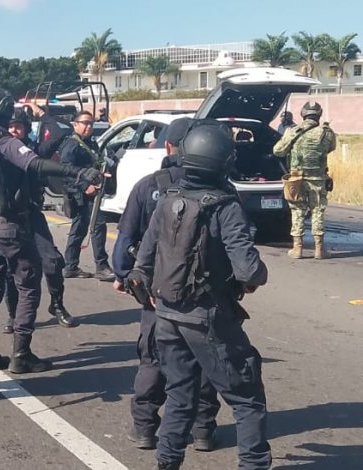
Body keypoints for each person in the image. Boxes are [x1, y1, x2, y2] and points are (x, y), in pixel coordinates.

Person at [132, 121, 271, 470]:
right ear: (223, 162)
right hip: (207, 317)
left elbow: (143, 262)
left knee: (179, 394)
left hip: (166, 315)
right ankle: (254, 464)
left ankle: (167, 463)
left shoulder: (167, 199)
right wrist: (257, 276)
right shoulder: (225, 206)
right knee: (247, 397)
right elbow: (249, 270)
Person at [0, 87, 103, 374]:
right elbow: (35, 163)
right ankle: (21, 353)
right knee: (28, 285)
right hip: (11, 225)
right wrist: (76, 173)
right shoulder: (5, 143)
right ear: (7, 114)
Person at [112, 118, 221, 452]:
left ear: (170, 148)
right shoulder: (220, 189)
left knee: (154, 360)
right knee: (206, 361)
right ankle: (202, 429)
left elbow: (125, 238)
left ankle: (146, 428)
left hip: (158, 293)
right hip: (205, 297)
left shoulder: (149, 186)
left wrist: (123, 275)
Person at [2, 103, 78, 332]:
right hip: (8, 218)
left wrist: (41, 113)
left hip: (32, 214)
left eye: (18, 127)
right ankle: (14, 315)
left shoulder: (35, 151)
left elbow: (62, 132)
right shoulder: (0, 151)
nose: (14, 131)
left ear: (26, 128)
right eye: (10, 127)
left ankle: (56, 305)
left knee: (53, 262)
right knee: (10, 270)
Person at [273, 101, 336, 260]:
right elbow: (331, 148)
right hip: (318, 179)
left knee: (297, 211)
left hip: (297, 179)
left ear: (303, 114)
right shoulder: (327, 132)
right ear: (319, 115)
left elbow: (278, 151)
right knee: (318, 211)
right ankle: (319, 249)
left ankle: (298, 248)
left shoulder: (293, 131)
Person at [59, 110, 114, 281]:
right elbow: (66, 171)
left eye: (91, 123)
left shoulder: (90, 143)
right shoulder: (72, 145)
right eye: (85, 123)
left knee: (79, 229)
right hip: (80, 195)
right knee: (98, 226)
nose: (88, 126)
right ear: (75, 124)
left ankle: (70, 266)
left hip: (91, 193)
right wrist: (85, 186)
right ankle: (101, 266)